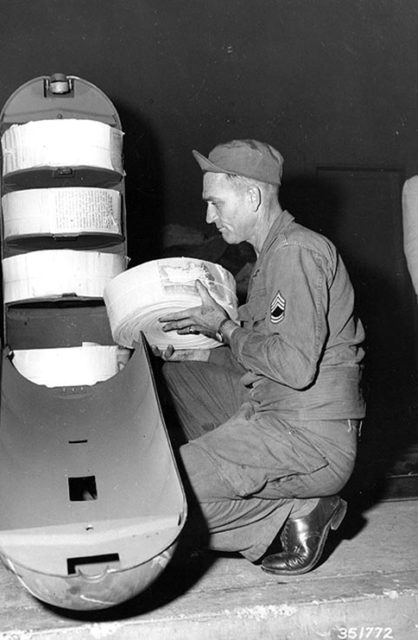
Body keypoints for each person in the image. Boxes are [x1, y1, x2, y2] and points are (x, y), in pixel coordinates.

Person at [157, 139, 365, 575]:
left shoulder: (295, 252)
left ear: (252, 196)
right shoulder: (272, 256)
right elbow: (260, 356)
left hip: (311, 439)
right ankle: (249, 481)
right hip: (278, 416)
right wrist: (203, 342)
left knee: (161, 489)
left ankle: (293, 511)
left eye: (215, 203)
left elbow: (292, 364)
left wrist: (226, 327)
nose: (208, 216)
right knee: (181, 370)